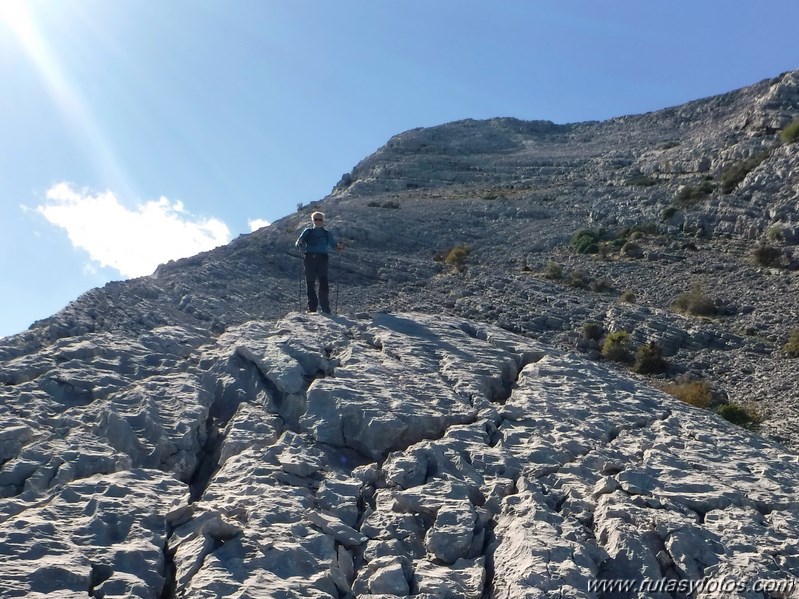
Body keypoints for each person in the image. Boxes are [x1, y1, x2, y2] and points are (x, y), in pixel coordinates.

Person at [295, 211, 344, 313]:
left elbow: (333, 245)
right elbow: (299, 242)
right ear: (312, 220)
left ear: (323, 221)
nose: (318, 221)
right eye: (316, 219)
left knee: (323, 283)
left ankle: (325, 308)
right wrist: (299, 243)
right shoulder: (308, 231)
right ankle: (312, 308)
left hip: (322, 258)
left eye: (320, 219)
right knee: (310, 283)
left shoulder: (327, 233)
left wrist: (339, 247)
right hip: (309, 259)